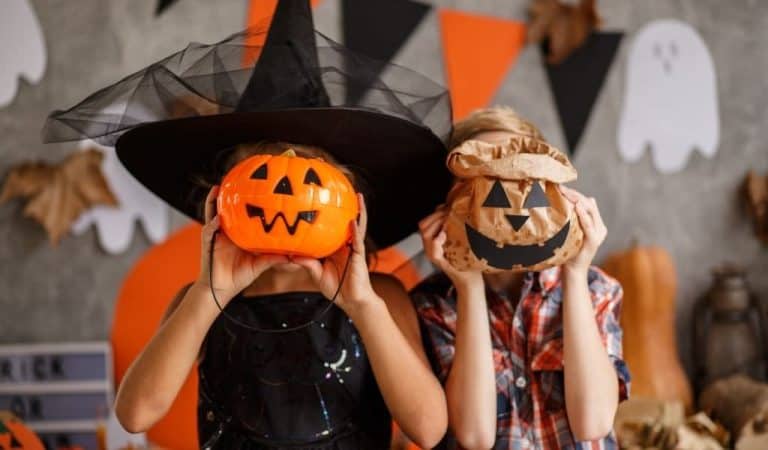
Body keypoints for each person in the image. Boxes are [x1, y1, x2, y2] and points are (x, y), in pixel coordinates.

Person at [42, 1, 454, 447]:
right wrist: (207, 296)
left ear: (349, 205)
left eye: (308, 179)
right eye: (260, 175)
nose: (284, 196)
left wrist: (362, 306)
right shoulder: (202, 301)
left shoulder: (381, 298)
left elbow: (428, 430)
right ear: (223, 200)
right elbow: (136, 414)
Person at [413, 106, 630, 449]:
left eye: (527, 187)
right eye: (492, 189)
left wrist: (574, 273)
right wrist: (468, 286)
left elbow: (593, 421)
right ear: (452, 204)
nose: (513, 212)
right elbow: (474, 435)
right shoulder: (434, 303)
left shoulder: (596, 288)